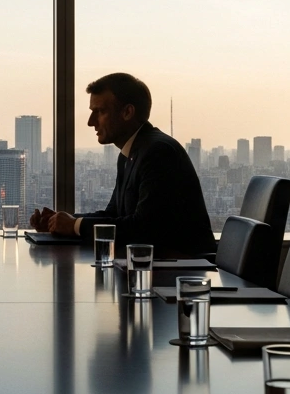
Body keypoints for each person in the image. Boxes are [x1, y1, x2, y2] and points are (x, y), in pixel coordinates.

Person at [30, 72, 215, 257]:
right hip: (155, 267)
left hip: (181, 271)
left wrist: (75, 226)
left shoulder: (158, 152)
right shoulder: (132, 152)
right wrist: (63, 222)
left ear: (127, 112)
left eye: (100, 112)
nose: (90, 122)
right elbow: (115, 215)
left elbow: (144, 228)